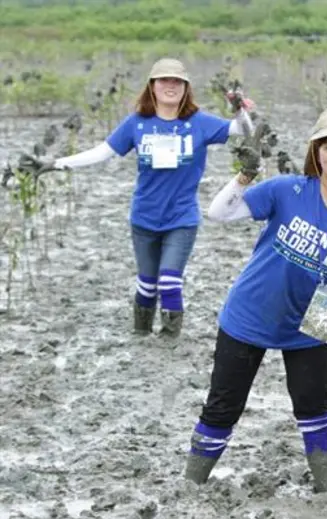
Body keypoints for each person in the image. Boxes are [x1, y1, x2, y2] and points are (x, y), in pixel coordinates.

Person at [184, 106, 327, 493]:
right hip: (248, 315)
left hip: (309, 324)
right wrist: (245, 174)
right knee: (223, 406)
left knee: (315, 408)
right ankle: (190, 485)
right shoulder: (288, 190)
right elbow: (219, 212)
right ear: (316, 153)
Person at [47, 58, 254, 337]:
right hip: (144, 217)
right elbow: (101, 153)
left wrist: (240, 110)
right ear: (152, 86)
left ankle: (169, 340)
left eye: (177, 81)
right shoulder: (136, 123)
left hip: (181, 218)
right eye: (164, 80)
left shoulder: (199, 123)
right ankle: (141, 333)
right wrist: (55, 163)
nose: (171, 86)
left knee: (169, 281)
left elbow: (243, 130)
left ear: (185, 88)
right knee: (146, 284)